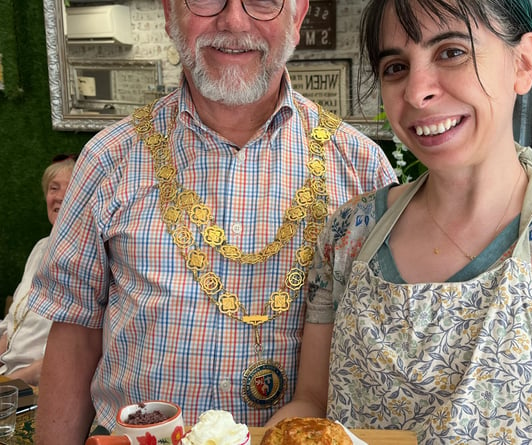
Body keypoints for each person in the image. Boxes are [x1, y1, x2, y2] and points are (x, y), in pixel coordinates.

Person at [267, 0, 532, 443]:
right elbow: (312, 403)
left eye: (451, 52)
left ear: (523, 62)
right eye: (396, 67)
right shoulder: (348, 234)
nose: (417, 91)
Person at [28, 0, 396, 443]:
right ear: (169, 14)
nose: (234, 21)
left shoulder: (361, 168)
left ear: (297, 18)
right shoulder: (109, 159)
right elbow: (75, 330)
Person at [0, 154, 75, 386]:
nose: (60, 196)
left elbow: (71, 353)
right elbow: (12, 323)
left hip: (38, 384)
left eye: (70, 188)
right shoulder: (41, 246)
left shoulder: (87, 256)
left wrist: (9, 384)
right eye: (54, 188)